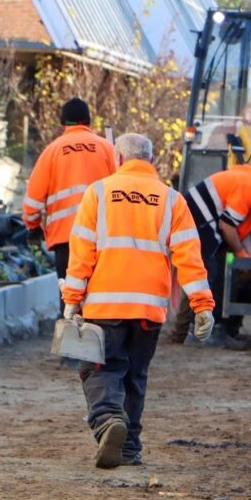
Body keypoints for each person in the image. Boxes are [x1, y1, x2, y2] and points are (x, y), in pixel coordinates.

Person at [62, 133, 216, 468]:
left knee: (100, 368)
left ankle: (108, 421)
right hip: (149, 308)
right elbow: (190, 258)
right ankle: (129, 447)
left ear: (118, 159)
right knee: (135, 375)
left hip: (105, 305)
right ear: (151, 160)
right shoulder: (172, 200)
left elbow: (81, 252)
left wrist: (72, 300)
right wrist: (202, 306)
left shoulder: (98, 193)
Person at [169, 165, 251, 348]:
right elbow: (227, 225)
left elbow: (241, 229)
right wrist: (239, 252)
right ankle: (200, 334)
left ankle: (203, 330)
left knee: (214, 275)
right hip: (197, 222)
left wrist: (250, 255)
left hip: (198, 222)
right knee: (209, 278)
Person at [23, 98, 116, 307]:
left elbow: (33, 201)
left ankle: (70, 326)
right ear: (88, 121)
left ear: (63, 122)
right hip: (102, 237)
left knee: (69, 298)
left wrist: (33, 226)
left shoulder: (52, 151)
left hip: (66, 238)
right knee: (100, 298)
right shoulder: (107, 148)